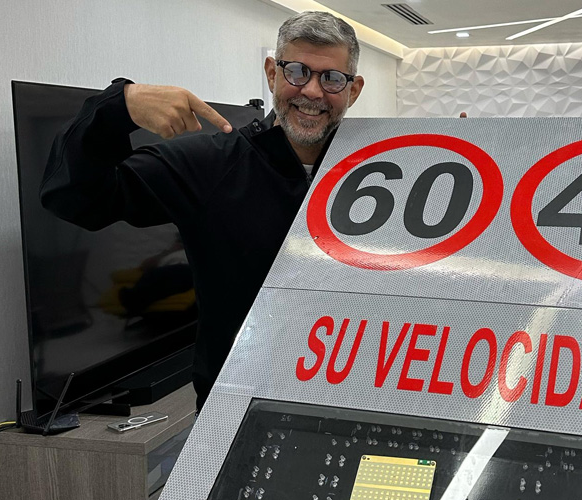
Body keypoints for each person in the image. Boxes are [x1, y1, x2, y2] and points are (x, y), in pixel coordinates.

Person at [41, 11, 365, 411]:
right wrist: (117, 107)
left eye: (331, 78)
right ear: (271, 73)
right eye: (297, 72)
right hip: (237, 412)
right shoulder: (208, 165)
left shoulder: (391, 171)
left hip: (360, 401)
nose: (312, 91)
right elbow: (73, 198)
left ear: (353, 90)